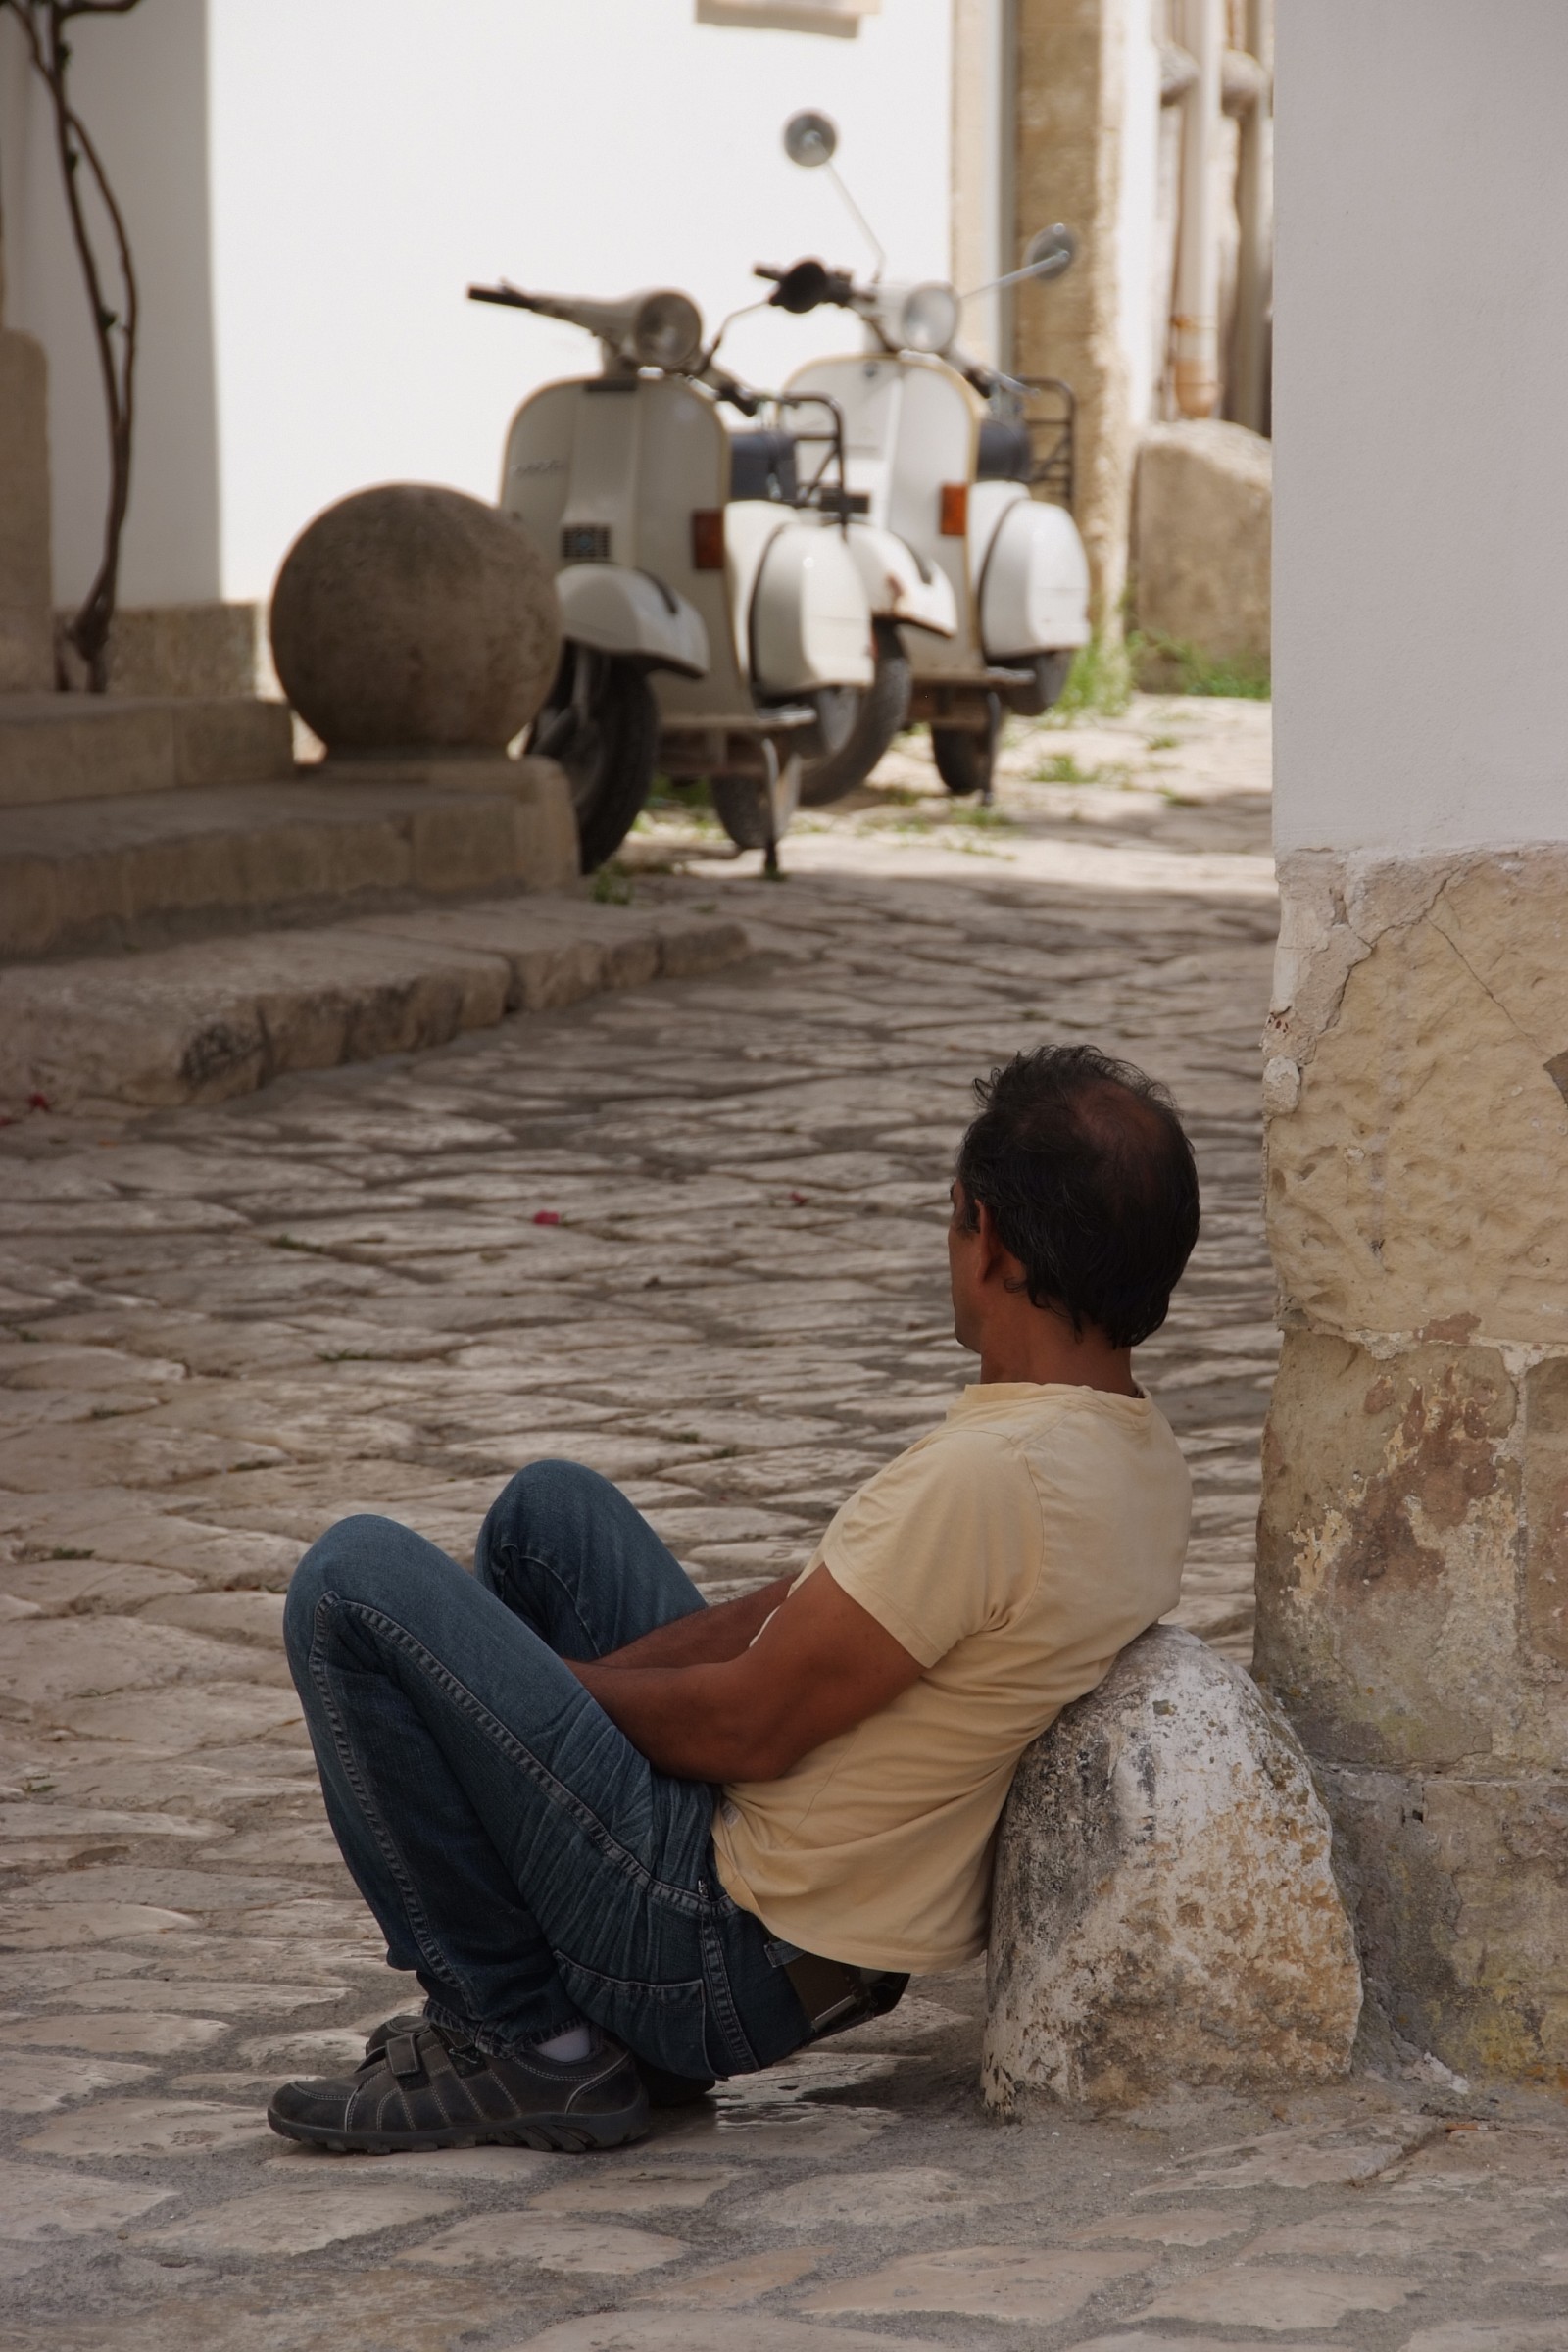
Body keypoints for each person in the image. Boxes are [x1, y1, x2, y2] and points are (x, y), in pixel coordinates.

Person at [268, 1043, 1199, 2155]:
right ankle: (575, 2026)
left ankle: (519, 2039)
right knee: (546, 1516)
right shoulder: (1133, 1454)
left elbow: (743, 1725)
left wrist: (506, 1697)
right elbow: (796, 1608)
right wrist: (522, 1700)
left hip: (713, 1951)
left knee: (351, 1584)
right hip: (816, 1950)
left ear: (986, 1236)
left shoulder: (994, 1480)